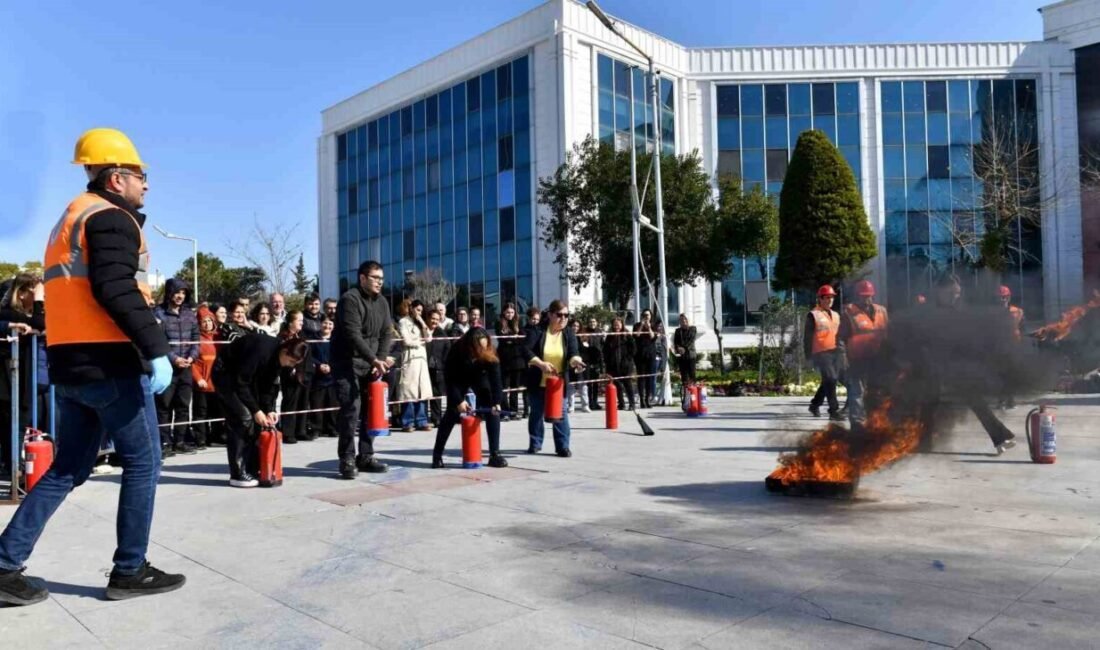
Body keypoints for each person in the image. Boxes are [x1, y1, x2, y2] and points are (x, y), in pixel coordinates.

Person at [0, 128, 184, 606]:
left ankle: (3, 564)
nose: (146, 185)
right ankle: (130, 570)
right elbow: (116, 290)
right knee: (144, 463)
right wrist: (157, 348)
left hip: (70, 363)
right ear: (118, 176)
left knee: (67, 468)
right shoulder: (111, 219)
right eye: (142, 176)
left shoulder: (71, 217)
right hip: (110, 363)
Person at [215, 333, 308, 487]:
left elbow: (269, 387)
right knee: (243, 419)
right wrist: (256, 410)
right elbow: (241, 383)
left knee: (260, 423)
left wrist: (268, 409)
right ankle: (238, 473)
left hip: (249, 379)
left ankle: (252, 467)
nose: (291, 365)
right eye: (291, 361)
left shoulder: (279, 359)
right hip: (227, 374)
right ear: (285, 352)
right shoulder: (260, 350)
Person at [332, 260, 394, 479]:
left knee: (372, 410)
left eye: (382, 278)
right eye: (375, 278)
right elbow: (352, 335)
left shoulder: (383, 303)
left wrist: (381, 359)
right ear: (362, 278)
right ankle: (346, 458)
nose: (380, 282)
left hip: (371, 364)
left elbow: (387, 332)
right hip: (346, 363)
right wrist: (373, 359)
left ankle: (366, 455)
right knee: (351, 409)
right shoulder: (350, 300)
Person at [432, 328, 508, 469]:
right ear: (471, 346)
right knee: (451, 413)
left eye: (485, 347)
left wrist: (497, 402)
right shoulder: (456, 351)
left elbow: (496, 380)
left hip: (480, 375)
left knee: (492, 409)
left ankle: (494, 455)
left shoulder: (490, 351)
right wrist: (459, 400)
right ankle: (437, 455)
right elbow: (450, 380)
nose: (483, 350)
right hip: (459, 377)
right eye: (480, 348)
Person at [522, 299, 585, 457]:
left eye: (566, 315)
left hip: (558, 382)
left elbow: (573, 352)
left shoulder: (569, 332)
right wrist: (541, 364)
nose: (563, 318)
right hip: (538, 380)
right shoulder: (538, 331)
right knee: (536, 413)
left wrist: (576, 361)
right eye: (560, 315)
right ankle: (535, 443)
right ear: (550, 315)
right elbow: (526, 350)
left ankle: (563, 446)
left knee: (561, 413)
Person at [0, 274, 47, 475]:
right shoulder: (8, 314)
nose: (39, 297)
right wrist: (38, 300)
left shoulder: (24, 318)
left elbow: (41, 323)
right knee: (12, 420)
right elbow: (40, 322)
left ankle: (13, 468)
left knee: (19, 419)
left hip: (21, 376)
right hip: (7, 376)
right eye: (34, 293)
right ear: (21, 294)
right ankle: (13, 468)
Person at [154, 278, 199, 456]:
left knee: (183, 405)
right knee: (164, 406)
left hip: (186, 367)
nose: (180, 296)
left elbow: (196, 339)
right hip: (167, 367)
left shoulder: (189, 314)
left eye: (183, 293)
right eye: (177, 292)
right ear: (169, 293)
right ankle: (164, 442)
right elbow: (158, 341)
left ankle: (180, 441)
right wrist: (174, 359)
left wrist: (191, 357)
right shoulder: (158, 313)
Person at [838, 280, 888, 428]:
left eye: (868, 296)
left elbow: (888, 334)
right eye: (862, 296)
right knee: (857, 393)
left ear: (873, 295)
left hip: (878, 359)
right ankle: (857, 425)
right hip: (857, 359)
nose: (866, 299)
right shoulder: (849, 313)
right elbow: (840, 338)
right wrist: (843, 358)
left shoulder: (881, 311)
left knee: (877, 392)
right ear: (857, 296)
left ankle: (875, 422)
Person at [804, 285, 844, 421]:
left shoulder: (836, 315)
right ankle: (834, 410)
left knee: (830, 380)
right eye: (826, 298)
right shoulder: (813, 315)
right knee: (831, 379)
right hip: (820, 353)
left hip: (835, 351)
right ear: (820, 299)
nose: (829, 300)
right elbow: (807, 338)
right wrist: (808, 357)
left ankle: (815, 404)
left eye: (831, 298)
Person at [396, 299, 433, 432]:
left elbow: (428, 338)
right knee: (409, 390)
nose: (419, 313)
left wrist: (422, 322)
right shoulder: (403, 322)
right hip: (410, 358)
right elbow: (406, 341)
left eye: (421, 311)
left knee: (422, 390)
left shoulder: (420, 323)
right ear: (411, 308)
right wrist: (419, 342)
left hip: (422, 359)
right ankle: (408, 422)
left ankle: (422, 420)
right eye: (417, 310)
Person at [277, 310, 313, 443]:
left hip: (305, 372)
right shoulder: (283, 336)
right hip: (290, 375)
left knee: (304, 402)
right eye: (299, 321)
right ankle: (288, 432)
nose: (302, 323)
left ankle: (301, 430)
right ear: (291, 322)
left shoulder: (303, 335)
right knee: (291, 402)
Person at [191, 306, 221, 448]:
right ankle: (200, 438)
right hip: (202, 384)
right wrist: (198, 379)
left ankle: (215, 436)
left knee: (215, 412)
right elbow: (193, 364)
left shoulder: (217, 338)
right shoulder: (196, 340)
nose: (207, 324)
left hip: (215, 383)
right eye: (204, 321)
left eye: (210, 320)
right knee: (200, 413)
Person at [309, 318, 338, 438]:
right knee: (317, 403)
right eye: (325, 323)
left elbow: (339, 355)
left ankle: (332, 428)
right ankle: (316, 428)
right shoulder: (313, 339)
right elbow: (309, 355)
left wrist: (331, 366)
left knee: (332, 403)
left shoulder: (336, 339)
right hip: (317, 377)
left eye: (330, 323)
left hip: (332, 377)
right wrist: (319, 365)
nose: (327, 326)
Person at [495, 302, 525, 419]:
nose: (510, 314)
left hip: (517, 360)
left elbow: (522, 338)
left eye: (512, 312)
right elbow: (502, 340)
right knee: (504, 386)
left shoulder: (519, 322)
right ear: (503, 312)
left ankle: (513, 411)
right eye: (508, 312)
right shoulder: (499, 323)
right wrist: (513, 338)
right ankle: (505, 411)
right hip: (504, 359)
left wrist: (512, 339)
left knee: (515, 387)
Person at [997, 285, 1024, 410]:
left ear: (1009, 297)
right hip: (998, 347)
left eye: (1004, 297)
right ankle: (1001, 400)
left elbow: (1023, 328)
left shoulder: (1017, 312)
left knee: (1011, 374)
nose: (1003, 300)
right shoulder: (992, 312)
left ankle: (1010, 400)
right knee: (1000, 374)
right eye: (1000, 297)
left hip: (1013, 346)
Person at [603, 316, 637, 411]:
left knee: (628, 385)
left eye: (618, 324)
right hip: (613, 366)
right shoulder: (609, 336)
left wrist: (628, 359)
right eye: (615, 325)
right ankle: (621, 403)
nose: (616, 326)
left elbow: (633, 349)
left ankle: (632, 404)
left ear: (622, 325)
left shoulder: (627, 335)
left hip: (625, 366)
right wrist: (607, 363)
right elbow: (605, 350)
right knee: (617, 386)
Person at [425, 311, 450, 425]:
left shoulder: (441, 333)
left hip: (437, 367)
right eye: (432, 318)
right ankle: (423, 418)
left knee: (437, 393)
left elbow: (447, 348)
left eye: (437, 319)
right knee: (424, 393)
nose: (434, 321)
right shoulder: (423, 330)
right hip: (424, 366)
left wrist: (442, 364)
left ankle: (436, 418)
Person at [633, 309, 658, 409]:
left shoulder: (653, 325)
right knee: (641, 378)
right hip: (640, 354)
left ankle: (648, 399)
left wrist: (649, 327)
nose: (646, 317)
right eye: (644, 315)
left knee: (649, 378)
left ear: (651, 316)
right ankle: (642, 400)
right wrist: (642, 325)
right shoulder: (637, 325)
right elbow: (636, 335)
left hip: (650, 354)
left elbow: (653, 337)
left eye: (648, 315)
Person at [521, 306, 541, 418]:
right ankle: (525, 409)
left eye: (537, 319)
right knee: (526, 387)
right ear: (528, 318)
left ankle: (536, 407)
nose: (535, 321)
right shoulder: (524, 330)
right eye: (533, 319)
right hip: (527, 361)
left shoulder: (540, 330)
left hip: (539, 360)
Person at [582, 317, 604, 410]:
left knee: (595, 384)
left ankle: (595, 402)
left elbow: (602, 346)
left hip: (597, 361)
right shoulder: (584, 332)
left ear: (597, 322)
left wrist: (601, 360)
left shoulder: (599, 332)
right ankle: (589, 403)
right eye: (590, 321)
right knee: (588, 384)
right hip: (587, 361)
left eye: (594, 321)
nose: (592, 323)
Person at [569, 319, 590, 413]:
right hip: (571, 365)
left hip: (582, 366)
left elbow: (586, 352)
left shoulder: (583, 338)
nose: (575, 328)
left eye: (577, 326)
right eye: (574, 326)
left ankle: (585, 406)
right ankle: (571, 406)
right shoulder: (567, 337)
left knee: (583, 387)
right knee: (571, 387)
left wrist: (581, 362)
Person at [672, 313, 698, 389]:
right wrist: (678, 348)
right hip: (681, 356)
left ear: (688, 320)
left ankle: (693, 392)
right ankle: (685, 392)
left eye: (685, 319)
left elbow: (691, 341)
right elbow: (676, 342)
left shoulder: (693, 329)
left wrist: (683, 348)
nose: (683, 321)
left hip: (690, 355)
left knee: (692, 374)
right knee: (684, 375)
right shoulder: (677, 331)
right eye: (681, 320)